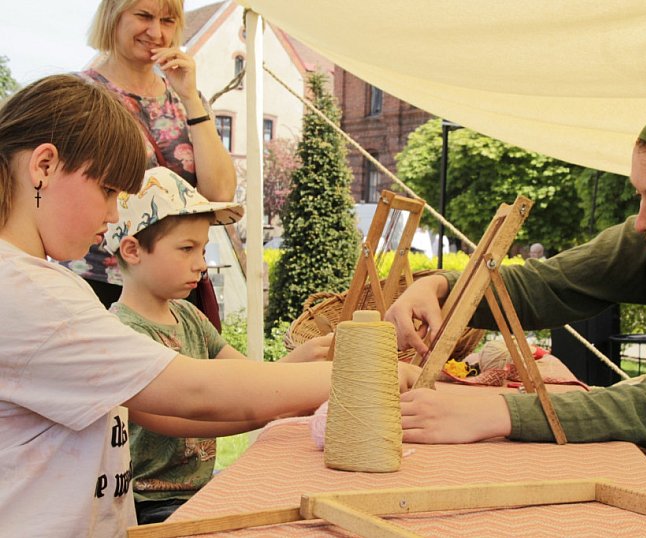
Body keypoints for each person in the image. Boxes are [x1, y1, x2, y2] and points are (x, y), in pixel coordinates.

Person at [0, 74, 420, 537]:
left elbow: (198, 400)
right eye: (107, 190)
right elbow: (195, 391)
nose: (114, 215)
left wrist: (297, 380)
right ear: (43, 165)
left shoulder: (45, 283)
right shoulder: (23, 291)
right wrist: (370, 374)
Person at [386, 95, 646, 528]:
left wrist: (498, 413)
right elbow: (547, 284)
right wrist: (441, 287)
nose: (643, 220)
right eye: (640, 196)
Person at [105, 166, 334, 524]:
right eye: (186, 249)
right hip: (148, 506)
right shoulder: (118, 335)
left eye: (203, 249)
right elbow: (188, 417)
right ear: (132, 250)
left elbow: (244, 379)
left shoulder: (190, 316)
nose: (201, 264)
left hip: (198, 490)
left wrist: (299, 364)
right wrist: (292, 392)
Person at [65, 0, 236, 311]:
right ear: (113, 17)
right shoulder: (79, 95)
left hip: (175, 286)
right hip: (101, 280)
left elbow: (219, 193)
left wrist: (190, 99)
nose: (156, 32)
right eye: (143, 16)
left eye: (168, 21)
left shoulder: (188, 99)